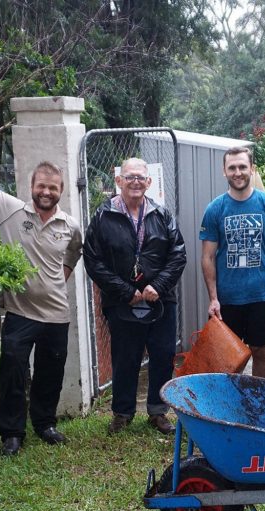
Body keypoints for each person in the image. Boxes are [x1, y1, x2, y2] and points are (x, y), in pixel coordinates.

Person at [0, 110, 83, 457]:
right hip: (20, 313)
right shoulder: (9, 210)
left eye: (53, 188)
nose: (47, 192)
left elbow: (74, 253)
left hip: (56, 313)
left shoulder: (69, 225)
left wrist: (58, 279)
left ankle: (45, 424)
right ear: (31, 187)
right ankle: (12, 433)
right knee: (12, 371)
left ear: (60, 191)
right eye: (41, 186)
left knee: (50, 373)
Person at [83, 158, 186, 435]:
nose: (135, 182)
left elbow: (178, 255)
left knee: (163, 354)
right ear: (119, 181)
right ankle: (122, 413)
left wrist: (159, 287)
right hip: (122, 301)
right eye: (129, 177)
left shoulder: (162, 215)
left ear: (149, 182)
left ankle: (157, 412)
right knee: (125, 357)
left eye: (141, 177)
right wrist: (126, 291)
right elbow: (93, 260)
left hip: (161, 300)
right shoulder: (103, 216)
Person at [200, 146, 265, 379]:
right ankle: (229, 405)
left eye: (243, 166)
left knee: (259, 351)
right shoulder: (215, 209)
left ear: (251, 169)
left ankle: (258, 404)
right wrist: (213, 298)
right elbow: (208, 257)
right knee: (227, 356)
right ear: (224, 171)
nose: (238, 172)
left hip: (259, 294)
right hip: (227, 298)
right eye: (232, 167)